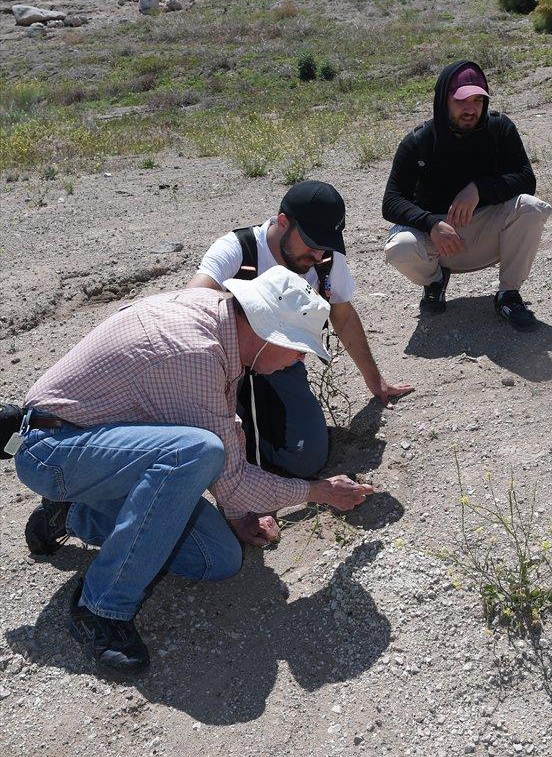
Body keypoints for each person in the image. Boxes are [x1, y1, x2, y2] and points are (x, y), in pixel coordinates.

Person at [8, 267, 373, 677]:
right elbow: (227, 474)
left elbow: (225, 454)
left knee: (217, 559)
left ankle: (72, 514)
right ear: (268, 334)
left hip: (98, 452)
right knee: (195, 452)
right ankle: (100, 606)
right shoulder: (195, 352)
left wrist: (237, 512)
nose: (301, 357)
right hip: (51, 452)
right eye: (296, 347)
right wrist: (319, 491)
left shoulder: (220, 320)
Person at [188, 180, 413, 479]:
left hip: (280, 363)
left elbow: (342, 316)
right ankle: (233, 454)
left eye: (325, 245)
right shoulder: (238, 249)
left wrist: (376, 381)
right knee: (215, 445)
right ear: (283, 222)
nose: (319, 256)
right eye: (311, 242)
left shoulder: (326, 257)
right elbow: (191, 305)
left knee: (307, 458)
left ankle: (249, 450)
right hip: (225, 367)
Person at [382, 61, 551, 331]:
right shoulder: (419, 142)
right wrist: (431, 224)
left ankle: (508, 294)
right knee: (399, 247)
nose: (471, 109)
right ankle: (435, 282)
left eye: (477, 100)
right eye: (461, 100)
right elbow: (391, 201)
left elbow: (526, 179)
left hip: (487, 234)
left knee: (531, 208)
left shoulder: (499, 129)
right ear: (443, 100)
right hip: (439, 243)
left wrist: (479, 189)